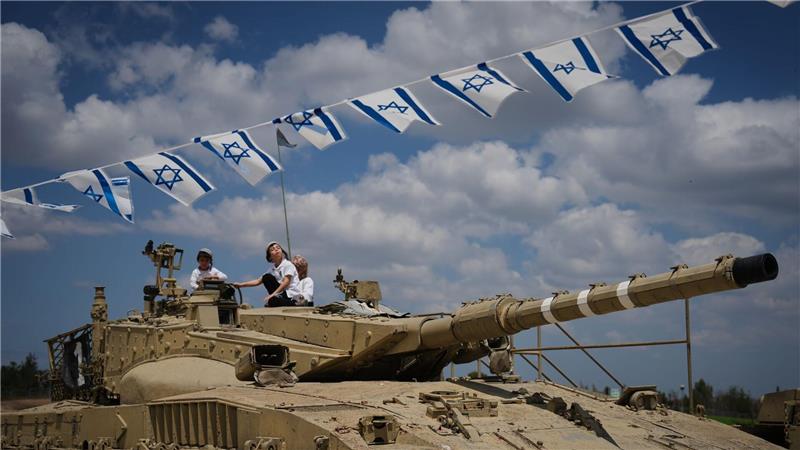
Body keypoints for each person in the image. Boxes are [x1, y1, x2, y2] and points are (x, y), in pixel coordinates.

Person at [234, 241, 300, 307]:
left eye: (278, 248)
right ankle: (277, 300)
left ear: (282, 252)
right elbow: (257, 281)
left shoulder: (287, 264)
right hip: (281, 294)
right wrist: (240, 285)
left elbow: (286, 282)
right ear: (270, 257)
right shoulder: (272, 269)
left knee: (272, 300)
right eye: (272, 249)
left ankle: (294, 303)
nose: (276, 249)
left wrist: (273, 295)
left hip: (291, 295)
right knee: (266, 277)